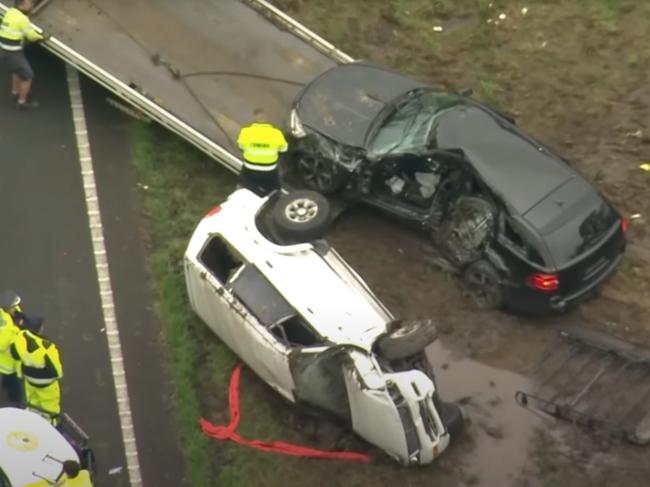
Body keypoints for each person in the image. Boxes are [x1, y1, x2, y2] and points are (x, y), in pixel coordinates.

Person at [10, 315, 63, 424]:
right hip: (46, 385)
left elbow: (14, 353)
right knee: (50, 407)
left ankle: (32, 423)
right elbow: (57, 371)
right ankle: (51, 427)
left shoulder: (20, 337)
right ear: (40, 329)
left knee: (33, 403)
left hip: (29, 380)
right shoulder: (47, 347)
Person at [0, 0, 49, 110]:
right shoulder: (23, 19)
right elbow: (31, 36)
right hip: (14, 53)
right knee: (27, 76)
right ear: (21, 5)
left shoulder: (10, 12)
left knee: (16, 71)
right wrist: (43, 37)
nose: (32, 5)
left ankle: (15, 92)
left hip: (3, 50)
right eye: (29, 4)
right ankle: (21, 102)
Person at [236, 108, 288, 196]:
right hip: (269, 170)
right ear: (268, 118)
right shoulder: (276, 133)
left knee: (243, 182)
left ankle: (241, 190)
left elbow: (241, 147)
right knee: (275, 187)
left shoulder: (246, 131)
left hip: (250, 168)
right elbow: (284, 149)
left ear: (255, 117)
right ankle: (276, 193)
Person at [0, 291, 22, 405]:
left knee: (10, 384)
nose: (16, 308)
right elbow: (2, 345)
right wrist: (15, 331)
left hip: (11, 364)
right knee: (14, 387)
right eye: (13, 306)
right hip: (6, 364)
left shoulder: (11, 313)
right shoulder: (5, 326)